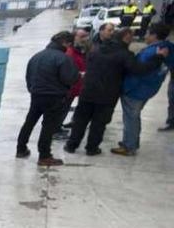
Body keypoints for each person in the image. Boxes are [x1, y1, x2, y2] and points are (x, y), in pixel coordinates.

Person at [65, 28, 168, 155]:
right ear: (125, 38)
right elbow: (139, 69)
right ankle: (92, 149)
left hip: (88, 91)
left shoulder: (95, 49)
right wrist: (158, 57)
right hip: (107, 94)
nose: (133, 40)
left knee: (80, 120)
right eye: (131, 37)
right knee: (99, 123)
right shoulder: (125, 54)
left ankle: (71, 146)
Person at [16, 31, 79, 166]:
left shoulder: (36, 56)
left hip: (36, 94)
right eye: (70, 44)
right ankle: (44, 155)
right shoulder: (63, 58)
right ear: (65, 43)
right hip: (54, 96)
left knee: (30, 122)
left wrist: (33, 89)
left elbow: (28, 76)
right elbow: (69, 78)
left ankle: (21, 149)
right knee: (48, 127)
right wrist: (78, 76)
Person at [112, 24, 174, 155]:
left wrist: (126, 89)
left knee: (131, 118)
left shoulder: (149, 53)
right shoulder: (168, 48)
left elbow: (138, 72)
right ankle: (132, 142)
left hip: (136, 91)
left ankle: (129, 146)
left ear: (154, 36)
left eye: (147, 34)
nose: (145, 36)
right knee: (134, 117)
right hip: (150, 88)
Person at [56, 27, 92, 137]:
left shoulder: (84, 50)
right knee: (62, 109)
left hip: (80, 86)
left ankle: (62, 125)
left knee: (70, 108)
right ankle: (55, 129)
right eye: (82, 37)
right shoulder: (69, 53)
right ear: (74, 38)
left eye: (86, 36)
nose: (85, 39)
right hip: (70, 87)